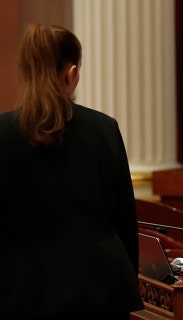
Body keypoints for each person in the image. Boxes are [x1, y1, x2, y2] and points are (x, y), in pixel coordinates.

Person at [0, 24, 143, 319]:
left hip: (20, 294)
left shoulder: (1, 133)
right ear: (72, 73)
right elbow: (125, 221)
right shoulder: (105, 129)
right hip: (101, 292)